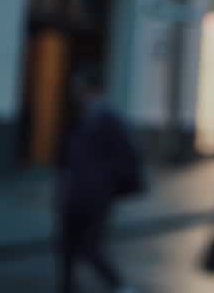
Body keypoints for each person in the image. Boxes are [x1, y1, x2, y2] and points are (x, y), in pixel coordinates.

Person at [55, 67, 143, 293]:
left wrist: (104, 184)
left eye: (80, 86)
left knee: (89, 247)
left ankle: (120, 285)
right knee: (67, 247)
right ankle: (67, 287)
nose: (76, 91)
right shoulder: (79, 117)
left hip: (94, 196)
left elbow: (125, 160)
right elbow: (66, 156)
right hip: (74, 194)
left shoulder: (109, 121)